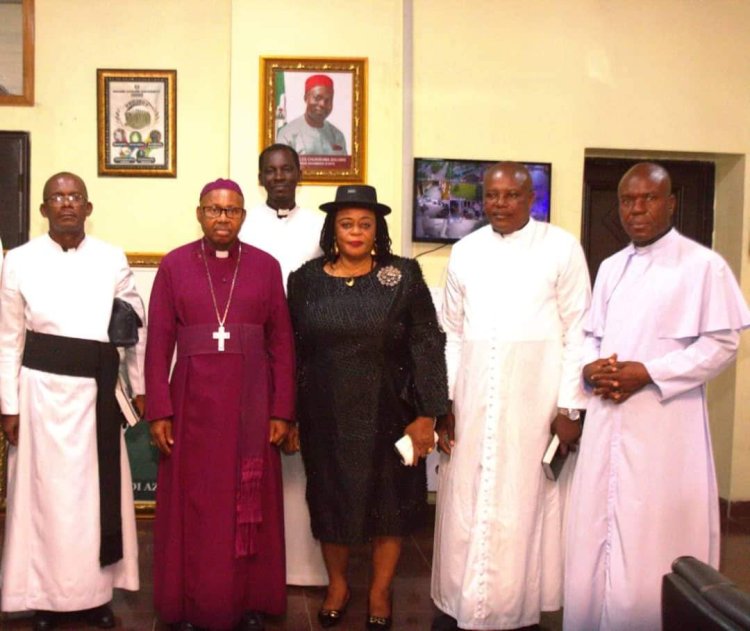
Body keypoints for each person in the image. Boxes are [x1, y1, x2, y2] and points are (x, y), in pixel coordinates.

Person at [564, 162, 750, 631]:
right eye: (628, 200)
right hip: (608, 417)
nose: (637, 209)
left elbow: (722, 344)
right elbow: (591, 335)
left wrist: (650, 372)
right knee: (595, 530)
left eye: (649, 199)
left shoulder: (702, 266)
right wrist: (590, 369)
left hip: (665, 423)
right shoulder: (610, 267)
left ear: (670, 204)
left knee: (651, 533)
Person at [431, 162, 591, 631]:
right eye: (492, 195)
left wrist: (569, 405)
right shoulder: (465, 250)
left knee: (526, 502)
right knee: (468, 496)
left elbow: (579, 329)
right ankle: (464, 602)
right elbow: (453, 334)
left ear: (530, 199)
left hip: (534, 399)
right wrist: (449, 403)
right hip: (475, 396)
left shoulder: (560, 247)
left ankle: (516, 609)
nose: (499, 204)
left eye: (511, 195)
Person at [287, 185, 448, 630]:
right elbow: (293, 351)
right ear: (332, 228)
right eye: (346, 223)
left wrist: (428, 413)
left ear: (377, 230)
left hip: (390, 412)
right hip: (325, 414)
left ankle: (379, 591)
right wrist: (290, 413)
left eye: (365, 224)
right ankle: (337, 584)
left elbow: (427, 344)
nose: (356, 232)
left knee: (389, 504)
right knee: (330, 500)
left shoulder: (403, 275)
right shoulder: (304, 280)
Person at [145, 178, 295, 631]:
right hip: (191, 406)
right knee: (196, 506)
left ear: (244, 216)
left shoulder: (266, 267)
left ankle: (249, 600)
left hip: (252, 403)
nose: (222, 218)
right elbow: (158, 343)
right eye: (213, 210)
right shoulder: (174, 265)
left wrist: (282, 410)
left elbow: (282, 343)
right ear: (199, 214)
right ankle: (189, 604)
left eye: (231, 210)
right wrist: (159, 410)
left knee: (248, 504)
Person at [0, 172, 145, 630]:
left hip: (95, 395)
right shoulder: (18, 260)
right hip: (39, 392)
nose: (66, 204)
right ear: (43, 209)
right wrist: (9, 405)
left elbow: (132, 327)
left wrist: (137, 386)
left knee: (94, 499)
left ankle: (95, 597)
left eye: (75, 197)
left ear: (88, 206)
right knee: (44, 499)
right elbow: (7, 339)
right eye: (57, 198)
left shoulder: (111, 258)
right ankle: (45, 600)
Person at [238, 143, 328, 587]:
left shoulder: (319, 225)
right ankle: (263, 562)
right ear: (260, 177)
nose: (279, 177)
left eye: (287, 169)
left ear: (299, 173)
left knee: (307, 452)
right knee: (262, 450)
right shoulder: (244, 223)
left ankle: (309, 567)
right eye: (270, 171)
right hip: (256, 351)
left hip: (310, 348)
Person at [276, 74, 347, 156]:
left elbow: (346, 168)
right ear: (306, 98)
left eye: (328, 100)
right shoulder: (287, 133)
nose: (322, 104)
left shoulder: (337, 136)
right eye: (317, 98)